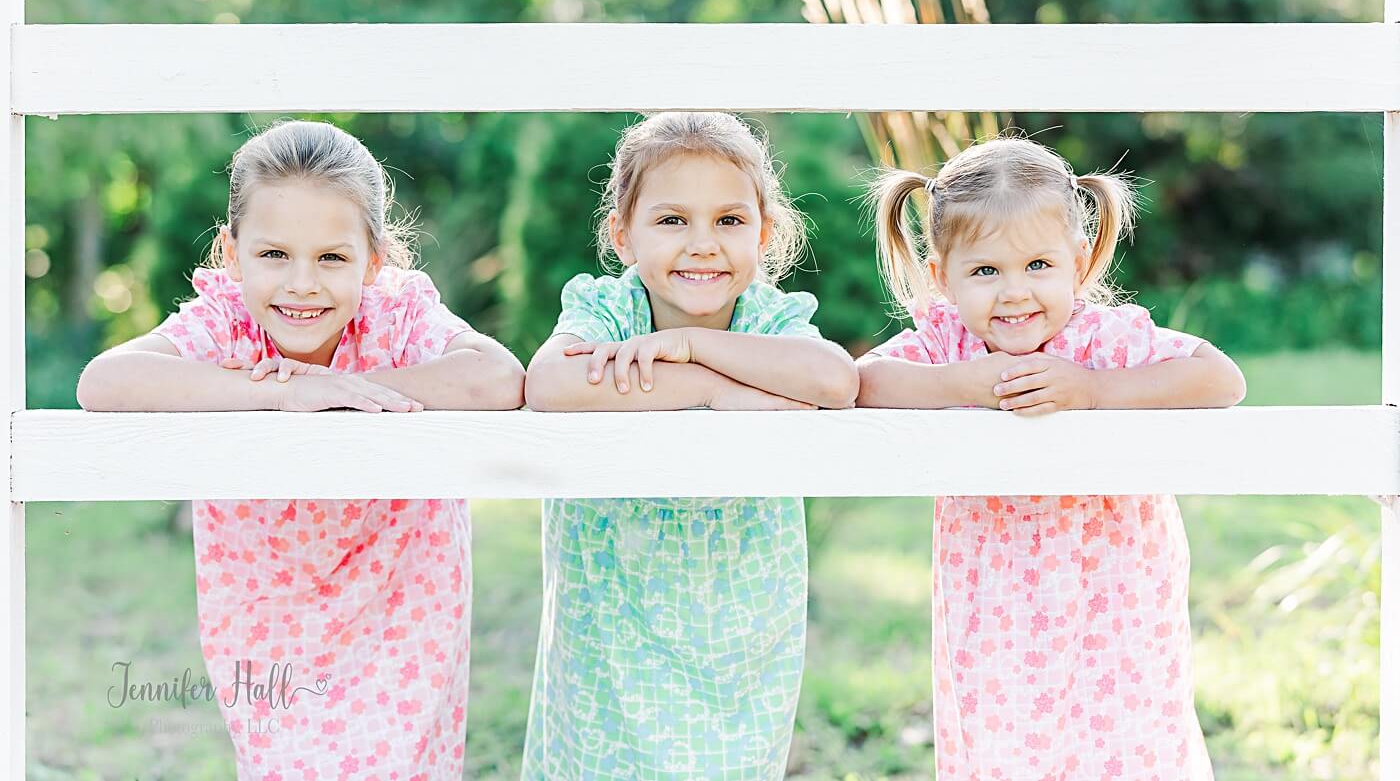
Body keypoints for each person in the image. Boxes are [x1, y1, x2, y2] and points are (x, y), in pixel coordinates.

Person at [78, 119, 525, 780]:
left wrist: (345, 387)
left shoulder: (397, 316)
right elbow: (103, 382)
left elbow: (497, 377)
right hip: (266, 609)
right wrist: (280, 394)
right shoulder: (225, 319)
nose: (302, 283)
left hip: (399, 604)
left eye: (332, 258)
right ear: (232, 252)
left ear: (374, 257)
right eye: (274, 255)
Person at [857, 135, 1246, 781]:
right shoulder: (949, 343)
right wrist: (963, 383)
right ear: (941, 277)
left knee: (1127, 742)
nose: (1014, 292)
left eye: (1038, 264)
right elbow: (862, 382)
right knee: (1007, 745)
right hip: (996, 600)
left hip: (1116, 594)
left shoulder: (1104, 339)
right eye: (985, 271)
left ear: (1079, 259)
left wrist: (1096, 390)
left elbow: (1219, 378)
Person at [521, 111, 858, 781]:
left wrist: (692, 344)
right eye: (673, 220)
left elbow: (837, 379)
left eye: (730, 221)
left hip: (740, 611)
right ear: (623, 234)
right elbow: (549, 381)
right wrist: (710, 386)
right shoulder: (608, 311)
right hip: (611, 611)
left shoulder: (773, 319)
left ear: (763, 233)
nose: (703, 244)